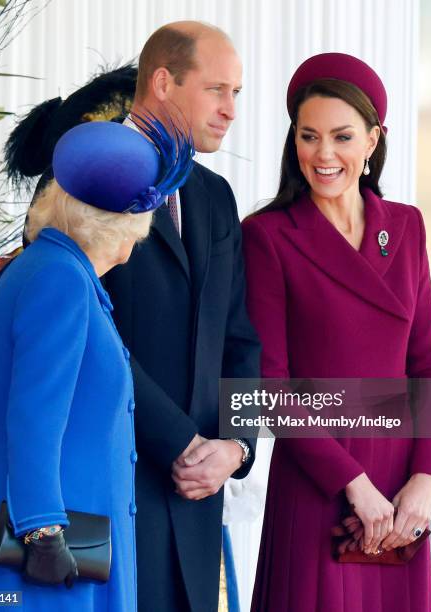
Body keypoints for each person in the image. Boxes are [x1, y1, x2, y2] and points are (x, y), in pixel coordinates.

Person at [0, 117, 194, 611]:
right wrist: (42, 531)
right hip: (43, 546)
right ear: (127, 225)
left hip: (65, 534)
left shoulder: (56, 270)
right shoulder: (59, 280)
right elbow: (34, 415)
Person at [242, 53, 431, 612]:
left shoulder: (406, 226)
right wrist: (353, 485)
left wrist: (427, 477)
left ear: (373, 140)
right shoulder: (268, 236)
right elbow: (269, 388)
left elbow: (427, 362)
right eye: (309, 136)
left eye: (341, 136)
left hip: (401, 482)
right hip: (321, 479)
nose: (323, 154)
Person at [101, 21, 261, 612]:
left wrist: (235, 447)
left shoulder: (215, 196)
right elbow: (91, 339)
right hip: (115, 491)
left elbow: (241, 340)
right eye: (218, 89)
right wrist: (182, 443)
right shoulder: (83, 180)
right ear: (164, 82)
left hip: (199, 503)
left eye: (236, 94)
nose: (230, 110)